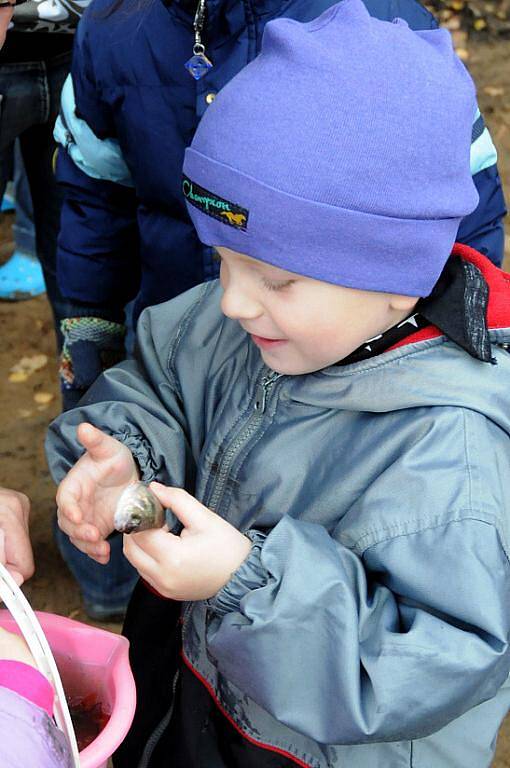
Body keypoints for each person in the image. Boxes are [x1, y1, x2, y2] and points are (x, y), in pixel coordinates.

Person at [47, 3, 510, 767]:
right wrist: (125, 456)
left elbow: (431, 665)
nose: (231, 300)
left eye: (276, 277)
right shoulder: (233, 327)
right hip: (187, 685)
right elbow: (156, 388)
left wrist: (245, 588)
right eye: (222, 259)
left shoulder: (451, 453)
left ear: (396, 278)